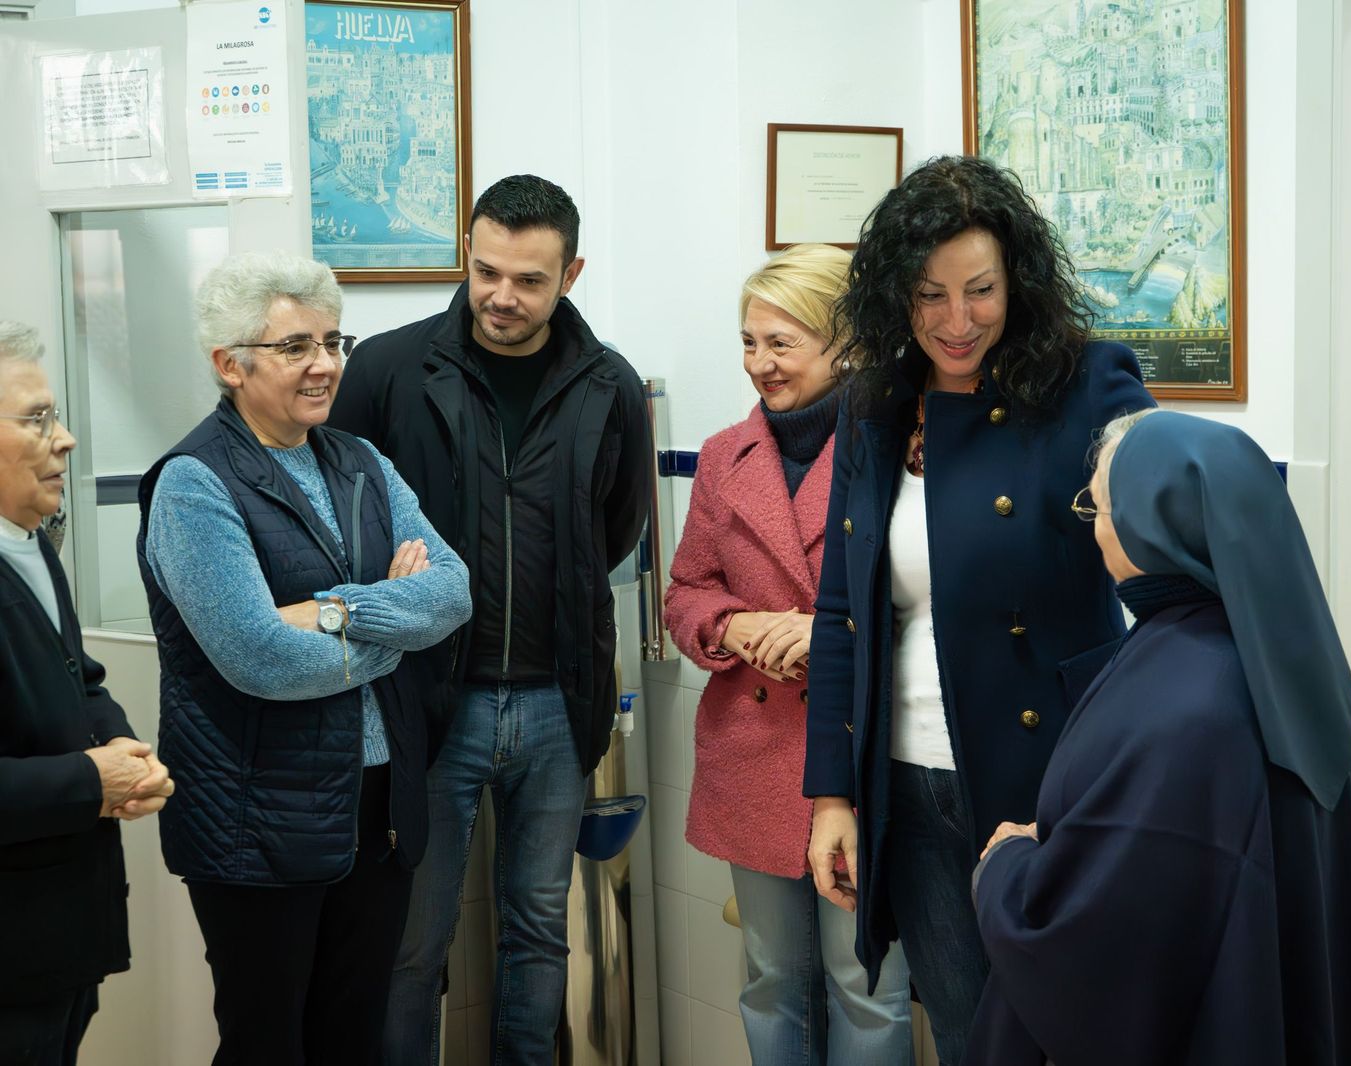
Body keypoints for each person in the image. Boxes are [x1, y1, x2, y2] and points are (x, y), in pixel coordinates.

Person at [801, 155, 1156, 1065]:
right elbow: (844, 609)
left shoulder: (1086, 383)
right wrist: (833, 793)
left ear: (1019, 281)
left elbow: (1163, 565)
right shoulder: (876, 403)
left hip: (1052, 776)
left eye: (981, 291)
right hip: (907, 780)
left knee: (1071, 1033)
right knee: (966, 1039)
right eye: (929, 296)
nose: (957, 322)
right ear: (894, 294)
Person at [327, 174, 653, 1065]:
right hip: (431, 702)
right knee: (411, 946)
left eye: (529, 279)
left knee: (539, 933)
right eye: (486, 271)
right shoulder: (390, 369)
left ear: (571, 273)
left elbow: (614, 527)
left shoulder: (608, 383)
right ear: (468, 257)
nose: (502, 297)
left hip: (557, 702)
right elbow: (338, 511)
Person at [966, 409, 1351, 1066]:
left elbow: (1095, 939)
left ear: (1154, 526)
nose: (1097, 530)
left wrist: (1008, 869)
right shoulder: (1282, 651)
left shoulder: (1182, 701)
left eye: (1102, 508)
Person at [136, 253, 472, 1065]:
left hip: (377, 804)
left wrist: (332, 612)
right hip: (257, 816)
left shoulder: (360, 461)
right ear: (231, 364)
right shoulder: (193, 482)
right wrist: (394, 626)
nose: (325, 365)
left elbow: (454, 592)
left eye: (332, 340)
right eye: (295, 347)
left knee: (350, 1038)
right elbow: (262, 659)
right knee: (268, 1044)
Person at [664, 245, 914, 1065]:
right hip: (754, 751)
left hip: (863, 749)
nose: (759, 365)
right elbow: (686, 594)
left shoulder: (900, 446)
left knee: (866, 985)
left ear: (844, 341)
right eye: (748, 342)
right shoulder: (721, 456)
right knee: (773, 978)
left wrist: (829, 631)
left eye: (782, 342)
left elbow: (933, 606)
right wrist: (732, 627)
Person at [0, 321, 173, 1065]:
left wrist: (119, 746)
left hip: (62, 933)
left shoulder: (30, 536)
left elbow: (80, 676)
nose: (65, 439)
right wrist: (89, 781)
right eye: (36, 420)